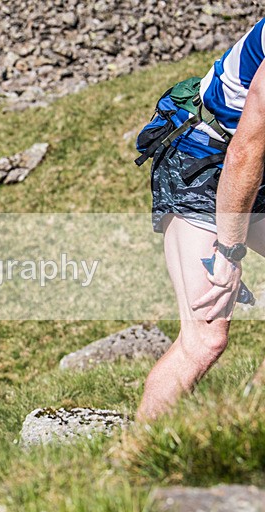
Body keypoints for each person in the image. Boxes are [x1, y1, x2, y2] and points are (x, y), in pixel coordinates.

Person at [135, 18, 265, 420]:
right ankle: (134, 462)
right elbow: (244, 155)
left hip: (251, 162)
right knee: (205, 337)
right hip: (203, 163)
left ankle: (250, 421)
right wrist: (228, 252)